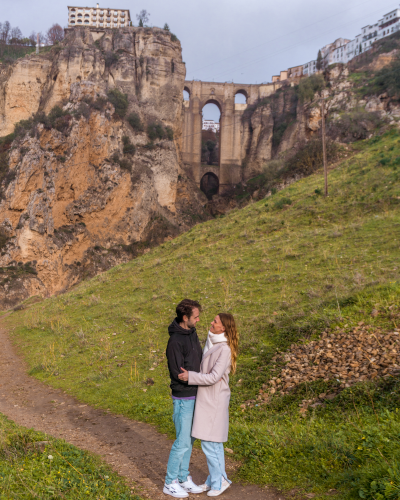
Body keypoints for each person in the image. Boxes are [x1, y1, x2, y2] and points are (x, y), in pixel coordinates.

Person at [178, 313, 239, 497]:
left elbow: (213, 377)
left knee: (209, 443)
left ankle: (219, 481)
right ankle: (217, 479)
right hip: (208, 398)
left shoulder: (224, 349)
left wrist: (190, 377)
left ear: (224, 328)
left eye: (215, 322)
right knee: (214, 443)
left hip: (214, 401)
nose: (211, 323)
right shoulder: (212, 342)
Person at [164, 299, 204, 498]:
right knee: (182, 440)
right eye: (195, 317)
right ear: (185, 317)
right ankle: (169, 482)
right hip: (183, 397)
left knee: (190, 439)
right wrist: (195, 378)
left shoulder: (192, 333)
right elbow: (178, 374)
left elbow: (195, 364)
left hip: (196, 394)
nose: (198, 320)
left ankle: (183, 477)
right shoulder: (175, 342)